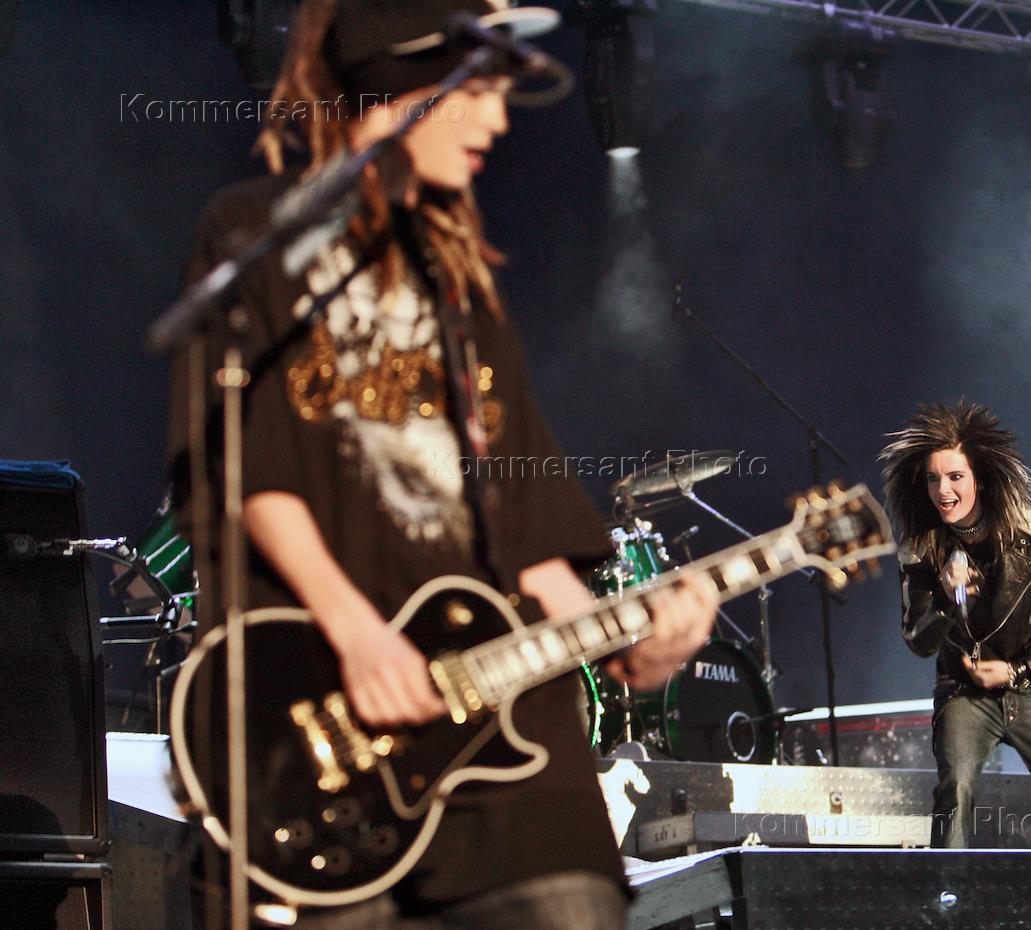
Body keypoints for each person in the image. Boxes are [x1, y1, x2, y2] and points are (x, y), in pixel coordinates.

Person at [169, 1, 717, 926]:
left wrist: (634, 645)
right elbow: (248, 471)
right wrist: (355, 631)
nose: (499, 123)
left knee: (575, 897)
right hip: (326, 704)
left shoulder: (462, 279)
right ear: (404, 82)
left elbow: (531, 536)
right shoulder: (257, 232)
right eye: (479, 95)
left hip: (508, 728)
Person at [878, 401, 1031, 850]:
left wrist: (1019, 669)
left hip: (1029, 688)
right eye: (933, 479)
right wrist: (945, 599)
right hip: (962, 693)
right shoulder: (920, 547)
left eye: (955, 477)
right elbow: (917, 641)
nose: (943, 490)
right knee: (955, 792)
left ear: (979, 479)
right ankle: (948, 892)